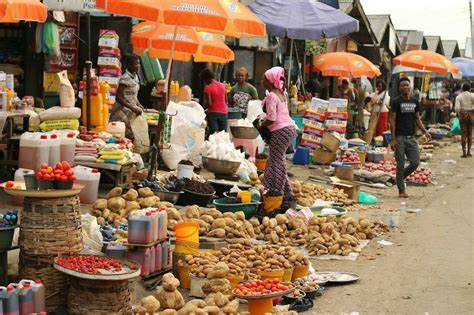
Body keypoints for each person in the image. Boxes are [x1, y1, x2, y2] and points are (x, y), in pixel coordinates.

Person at [256, 66, 295, 200]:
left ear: (270, 81)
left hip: (280, 130)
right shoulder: (282, 94)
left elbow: (272, 118)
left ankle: (276, 192)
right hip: (289, 128)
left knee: (277, 160)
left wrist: (261, 124)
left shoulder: (272, 95)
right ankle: (286, 193)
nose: (262, 81)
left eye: (264, 79)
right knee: (276, 159)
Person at [389, 77, 432, 198]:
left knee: (415, 162)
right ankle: (401, 190)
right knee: (400, 163)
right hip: (399, 137)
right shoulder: (396, 102)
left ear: (410, 87)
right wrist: (393, 139)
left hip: (411, 137)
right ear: (399, 88)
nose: (405, 87)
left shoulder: (415, 102)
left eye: (406, 85)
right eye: (402, 85)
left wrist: (425, 132)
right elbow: (392, 120)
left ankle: (399, 178)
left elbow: (417, 119)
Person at [109, 54, 143, 140]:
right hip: (121, 112)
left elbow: (133, 94)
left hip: (130, 111)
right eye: (136, 64)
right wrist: (132, 108)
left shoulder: (135, 76)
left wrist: (139, 104)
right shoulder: (125, 78)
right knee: (120, 136)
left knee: (130, 137)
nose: (138, 66)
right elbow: (118, 97)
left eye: (138, 64)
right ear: (129, 65)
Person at [200, 68, 227, 135]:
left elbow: (209, 103)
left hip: (213, 113)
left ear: (206, 79)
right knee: (223, 134)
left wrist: (201, 109)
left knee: (214, 134)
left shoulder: (207, 88)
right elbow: (226, 100)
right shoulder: (223, 86)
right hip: (224, 112)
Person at [454, 83, 474, 157]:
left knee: (464, 134)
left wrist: (458, 113)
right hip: (471, 116)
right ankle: (469, 151)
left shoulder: (459, 97)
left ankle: (464, 153)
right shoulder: (472, 95)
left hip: (462, 116)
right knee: (470, 134)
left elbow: (457, 108)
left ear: (462, 89)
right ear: (469, 89)